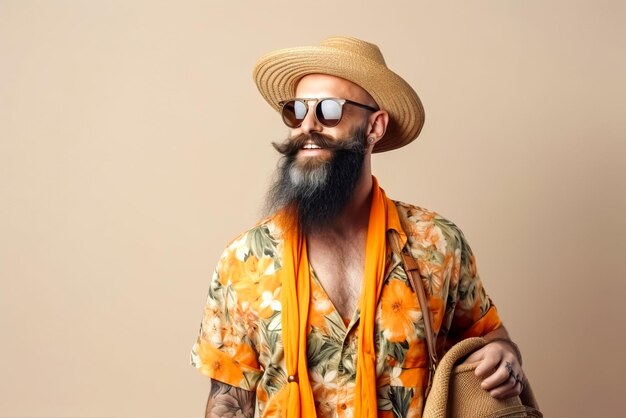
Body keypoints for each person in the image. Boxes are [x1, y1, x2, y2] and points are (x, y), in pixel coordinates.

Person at [191, 36, 526, 418]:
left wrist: (504, 354)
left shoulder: (437, 242)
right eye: (296, 111)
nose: (308, 125)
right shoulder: (245, 259)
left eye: (329, 110)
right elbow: (228, 401)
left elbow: (491, 338)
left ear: (375, 126)